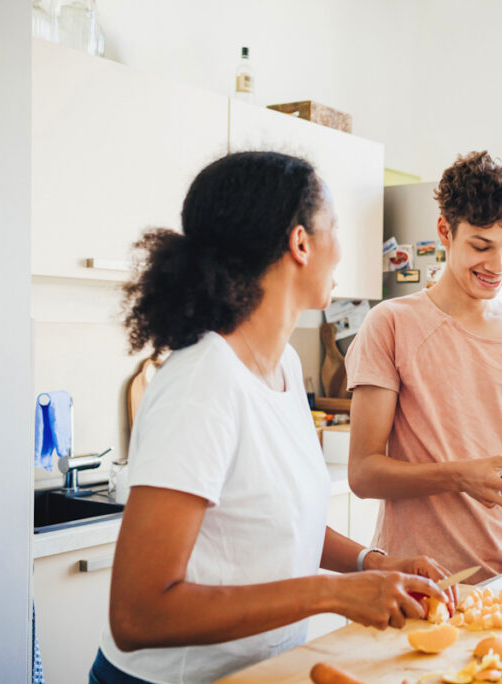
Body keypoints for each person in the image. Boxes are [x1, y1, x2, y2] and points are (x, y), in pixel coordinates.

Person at [91, 152, 452, 684]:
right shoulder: (203, 385)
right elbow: (137, 614)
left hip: (259, 672)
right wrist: (332, 593)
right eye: (334, 227)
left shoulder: (282, 365)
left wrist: (370, 565)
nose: (342, 247)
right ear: (300, 242)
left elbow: (281, 521)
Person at [345, 151, 502, 584]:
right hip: (421, 580)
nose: (498, 266)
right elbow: (364, 474)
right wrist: (461, 476)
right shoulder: (392, 323)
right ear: (445, 230)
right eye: (481, 246)